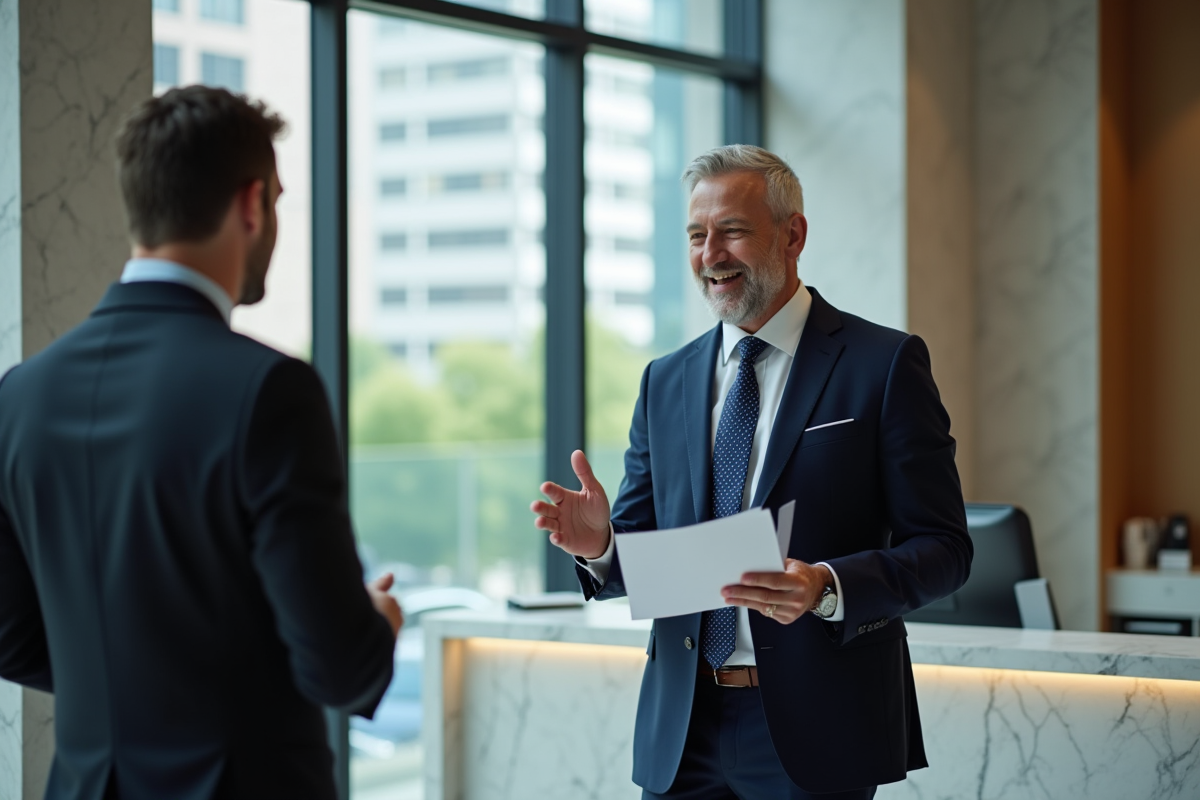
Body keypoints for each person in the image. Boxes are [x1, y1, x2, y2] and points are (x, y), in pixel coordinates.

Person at [531, 145, 973, 799]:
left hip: (820, 727)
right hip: (683, 728)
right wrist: (600, 545)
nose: (710, 255)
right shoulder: (665, 381)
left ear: (792, 235)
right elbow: (647, 563)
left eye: (732, 230)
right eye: (696, 236)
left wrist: (826, 586)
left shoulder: (883, 364)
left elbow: (945, 549)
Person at [0, 86, 399, 800]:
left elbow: (10, 637)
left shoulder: (20, 394)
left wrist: (137, 680)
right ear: (251, 204)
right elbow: (340, 668)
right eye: (278, 200)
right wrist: (377, 623)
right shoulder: (270, 391)